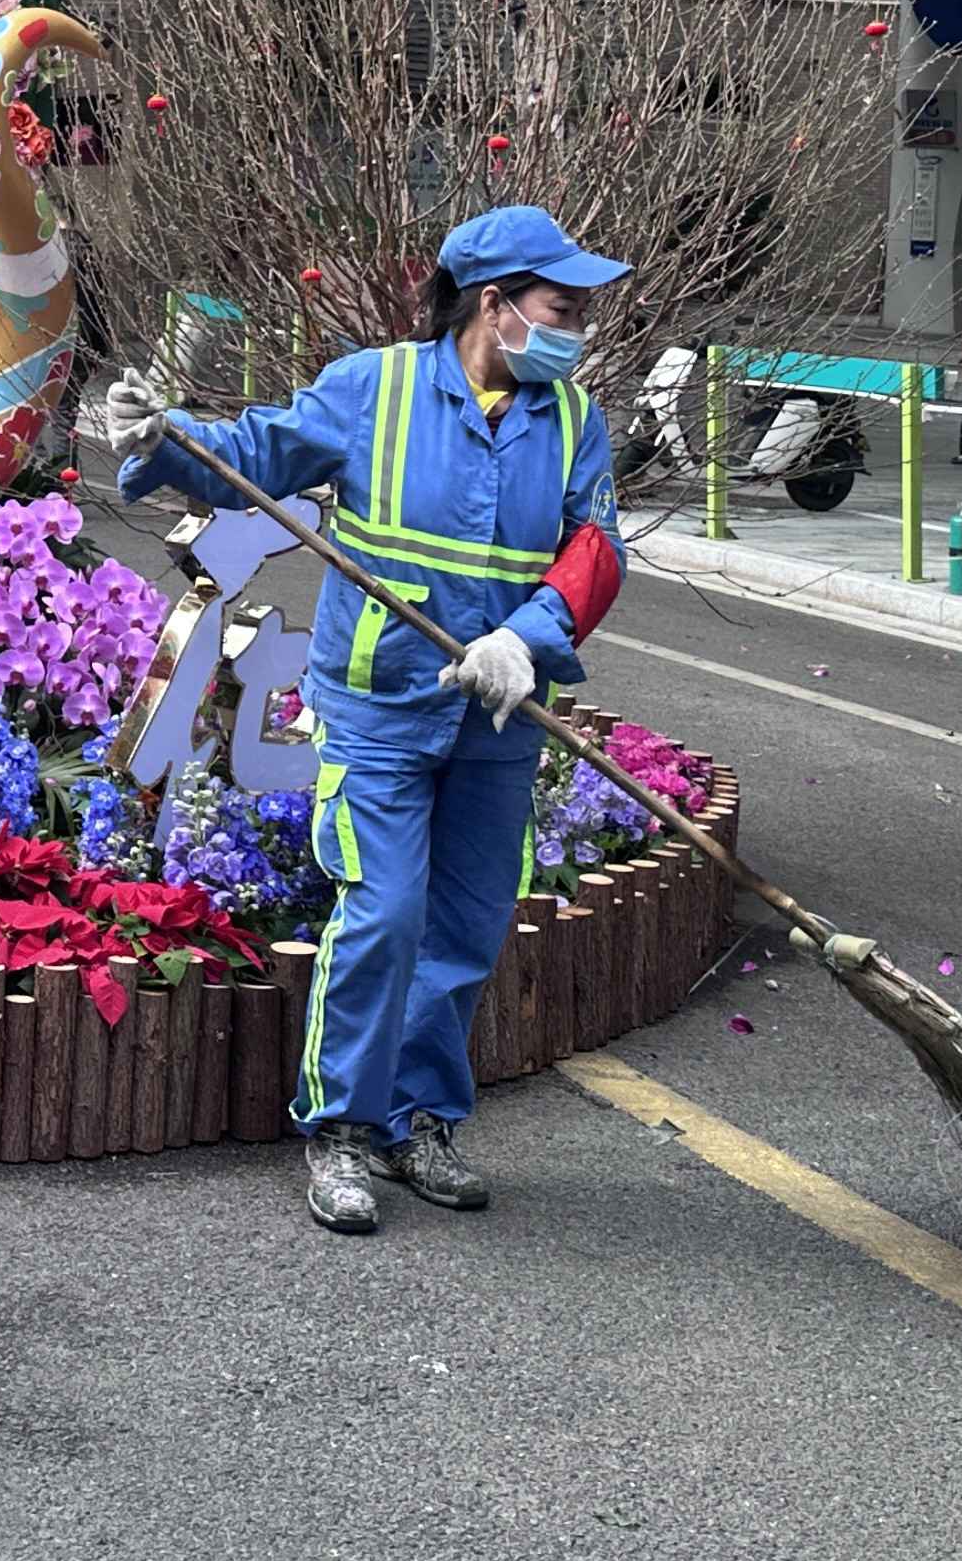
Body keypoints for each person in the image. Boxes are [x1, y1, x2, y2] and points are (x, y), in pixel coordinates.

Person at [104, 205, 629, 1237]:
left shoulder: (571, 418)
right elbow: (257, 454)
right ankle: (342, 1128)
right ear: (495, 303)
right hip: (380, 708)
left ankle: (418, 1121)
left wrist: (525, 639)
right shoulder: (374, 389)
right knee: (384, 914)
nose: (578, 330)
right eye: (562, 308)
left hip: (500, 712)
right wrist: (165, 439)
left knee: (467, 929)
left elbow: (596, 547)